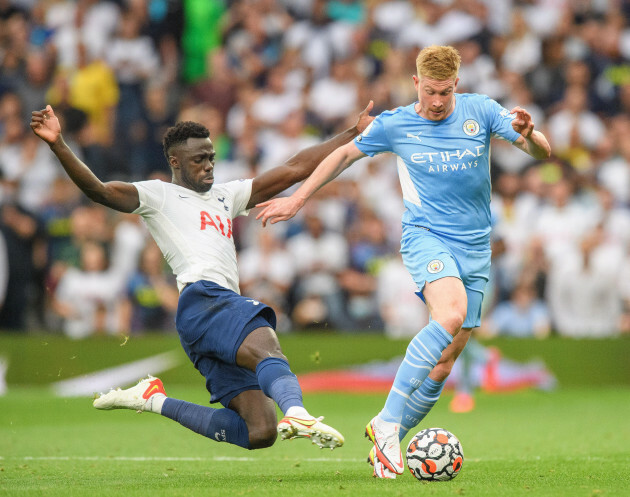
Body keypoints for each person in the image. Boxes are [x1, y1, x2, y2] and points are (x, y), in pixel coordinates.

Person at [257, 45, 551, 477]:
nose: (436, 102)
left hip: (476, 247)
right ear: (416, 83)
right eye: (430, 92)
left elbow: (540, 152)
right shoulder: (397, 124)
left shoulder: (481, 111)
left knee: (447, 359)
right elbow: (342, 155)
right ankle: (390, 424)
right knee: (449, 315)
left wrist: (531, 133)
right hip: (426, 237)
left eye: (445, 93)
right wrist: (299, 198)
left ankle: (384, 439)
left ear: (457, 86)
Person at [30, 101, 374, 451]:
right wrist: (58, 143)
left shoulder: (227, 195)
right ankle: (297, 411)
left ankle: (154, 400)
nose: (209, 165)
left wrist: (352, 133)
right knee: (266, 343)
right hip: (203, 299)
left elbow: (294, 168)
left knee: (260, 431)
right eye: (199, 159)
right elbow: (99, 190)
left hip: (211, 314)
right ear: (175, 162)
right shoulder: (159, 195)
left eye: (210, 156)